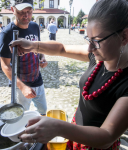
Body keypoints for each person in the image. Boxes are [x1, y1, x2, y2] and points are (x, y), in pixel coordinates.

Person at [10, 0, 128, 149]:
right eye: (88, 39)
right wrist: (33, 46)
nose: (90, 48)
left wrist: (60, 128)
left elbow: (107, 136)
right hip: (76, 132)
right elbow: (62, 48)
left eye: (97, 41)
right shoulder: (98, 56)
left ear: (124, 36)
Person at [0, 0, 48, 115]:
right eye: (21, 11)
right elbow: (5, 65)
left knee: (43, 111)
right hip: (21, 83)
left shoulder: (35, 26)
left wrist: (43, 57)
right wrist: (22, 87)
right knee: (21, 114)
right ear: (13, 10)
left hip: (37, 78)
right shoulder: (7, 33)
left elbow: (38, 47)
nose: (26, 15)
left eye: (29, 11)